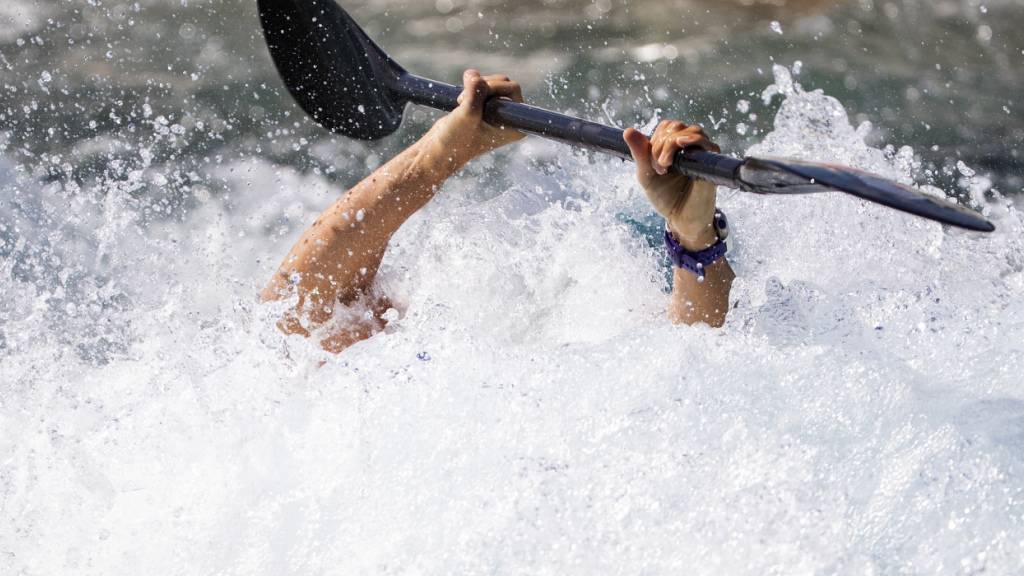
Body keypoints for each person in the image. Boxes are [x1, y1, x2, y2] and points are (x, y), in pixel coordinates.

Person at [261, 70, 734, 353]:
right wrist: (439, 155)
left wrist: (694, 238)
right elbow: (292, 324)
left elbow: (690, 353)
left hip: (639, 259)